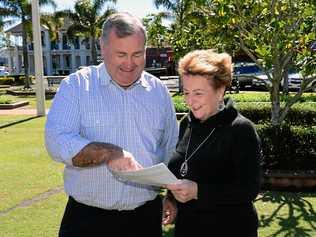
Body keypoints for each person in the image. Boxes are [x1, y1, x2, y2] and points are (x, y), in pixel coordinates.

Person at [45, 12, 178, 237]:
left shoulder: (158, 92)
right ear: (103, 47)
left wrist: (172, 196)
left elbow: (172, 149)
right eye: (121, 54)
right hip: (87, 221)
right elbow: (56, 141)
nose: (129, 63)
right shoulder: (77, 86)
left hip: (144, 219)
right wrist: (109, 153)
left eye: (137, 54)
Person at [162, 49, 261, 237]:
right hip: (188, 228)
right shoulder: (186, 124)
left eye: (198, 93)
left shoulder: (240, 129)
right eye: (186, 92)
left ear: (220, 90)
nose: (190, 101)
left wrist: (199, 191)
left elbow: (249, 190)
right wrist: (171, 200)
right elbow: (182, 170)